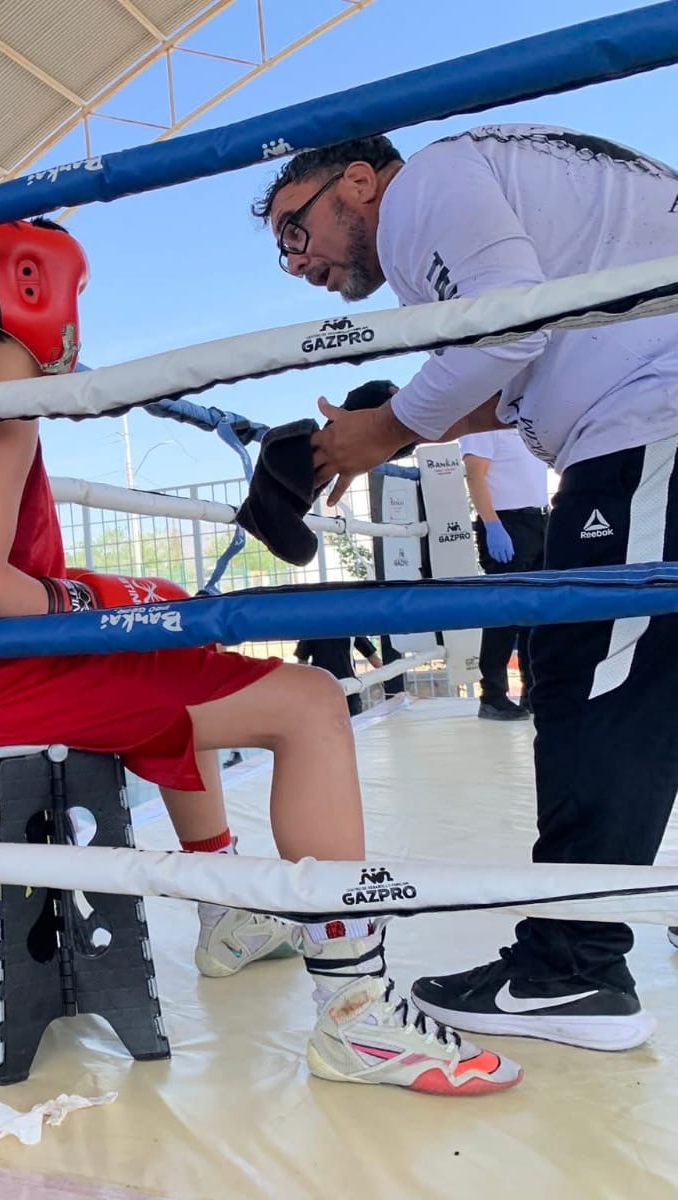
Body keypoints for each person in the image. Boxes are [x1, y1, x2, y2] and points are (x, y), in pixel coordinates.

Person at [0, 215, 517, 1094]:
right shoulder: (4, 413)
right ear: (38, 294)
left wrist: (110, 594)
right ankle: (357, 1012)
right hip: (7, 681)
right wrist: (92, 603)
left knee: (182, 657)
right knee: (310, 700)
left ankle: (225, 910)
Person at [255, 124, 678, 1050]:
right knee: (642, 678)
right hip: (637, 414)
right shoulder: (494, 185)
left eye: (294, 229)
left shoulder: (427, 187)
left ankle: (573, 969)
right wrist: (385, 426)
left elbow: (514, 325)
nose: (297, 263)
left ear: (357, 181)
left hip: (651, 416)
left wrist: (384, 431)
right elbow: (521, 357)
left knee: (592, 680)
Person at [460, 428, 549, 720]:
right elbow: (475, 475)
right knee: (504, 613)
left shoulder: (523, 423)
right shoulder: (483, 426)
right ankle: (493, 695)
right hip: (507, 522)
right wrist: (492, 524)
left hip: (538, 520)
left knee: (534, 613)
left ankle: (533, 691)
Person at [294, 637, 382, 717]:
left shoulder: (350, 628)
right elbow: (302, 661)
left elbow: (372, 656)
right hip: (326, 689)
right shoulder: (313, 629)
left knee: (352, 724)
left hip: (348, 689)